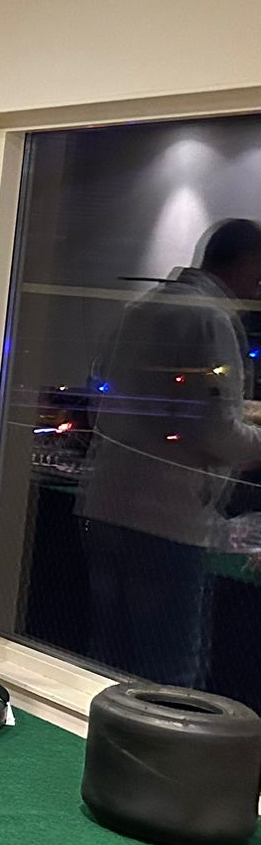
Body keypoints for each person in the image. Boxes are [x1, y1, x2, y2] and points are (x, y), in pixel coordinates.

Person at [78, 218, 261, 691]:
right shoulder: (209, 318)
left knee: (109, 665)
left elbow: (102, 401)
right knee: (169, 678)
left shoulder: (141, 307)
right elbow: (217, 433)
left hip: (106, 503)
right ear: (248, 264)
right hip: (166, 518)